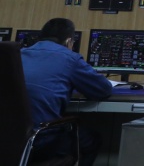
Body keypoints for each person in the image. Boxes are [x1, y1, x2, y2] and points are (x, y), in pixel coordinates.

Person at [20, 18, 113, 166]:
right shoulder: (70, 58)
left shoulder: (17, 55)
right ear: (69, 41)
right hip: (40, 140)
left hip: (8, 137)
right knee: (92, 140)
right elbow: (103, 90)